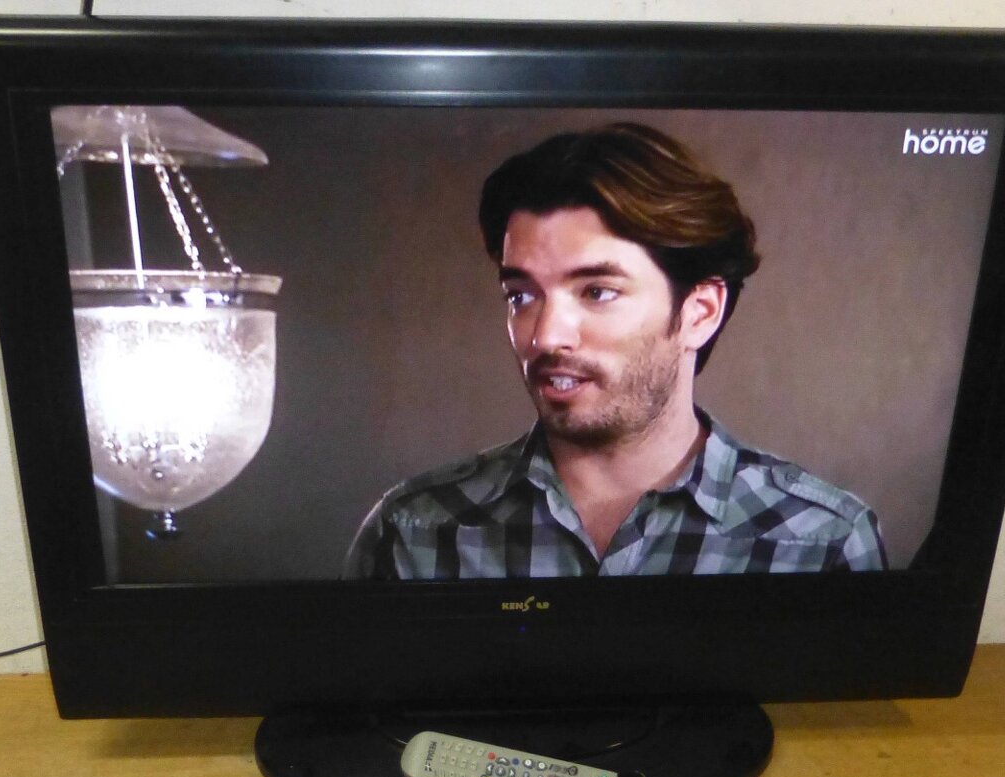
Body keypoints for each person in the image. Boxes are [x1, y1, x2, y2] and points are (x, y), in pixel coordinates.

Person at [343, 122, 885, 579]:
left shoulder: (822, 542)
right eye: (521, 295)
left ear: (700, 312)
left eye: (597, 292)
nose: (545, 336)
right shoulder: (413, 532)